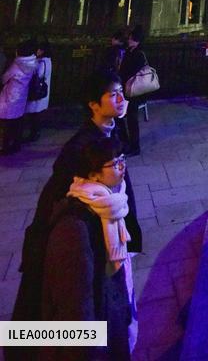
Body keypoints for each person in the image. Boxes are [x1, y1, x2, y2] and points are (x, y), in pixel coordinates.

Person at [12, 69, 143, 325]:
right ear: (94, 105)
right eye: (113, 95)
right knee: (87, 309)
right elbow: (57, 193)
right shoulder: (80, 148)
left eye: (121, 93)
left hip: (107, 231)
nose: (121, 99)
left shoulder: (109, 132)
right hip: (92, 240)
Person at [41, 134, 138, 360]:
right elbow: (76, 308)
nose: (123, 167)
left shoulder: (110, 205)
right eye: (115, 163)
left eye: (123, 158)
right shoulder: (74, 228)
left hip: (110, 314)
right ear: (93, 175)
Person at [0, 40, 37, 155]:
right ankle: (16, 144)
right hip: (22, 96)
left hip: (10, 97)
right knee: (17, 121)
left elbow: (5, 78)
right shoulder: (32, 63)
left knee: (7, 123)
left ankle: (5, 147)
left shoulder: (16, 65)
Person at [118, 27, 147, 155]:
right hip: (127, 89)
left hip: (134, 91)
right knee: (124, 117)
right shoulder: (130, 51)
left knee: (132, 118)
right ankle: (126, 141)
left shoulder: (139, 54)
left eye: (130, 38)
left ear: (136, 40)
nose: (128, 40)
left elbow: (134, 72)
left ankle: (134, 146)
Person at [25, 40, 53, 142]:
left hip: (38, 92)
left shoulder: (41, 62)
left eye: (38, 49)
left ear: (42, 50)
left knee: (34, 115)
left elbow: (39, 75)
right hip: (42, 92)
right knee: (36, 115)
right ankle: (35, 133)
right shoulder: (48, 60)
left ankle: (34, 134)